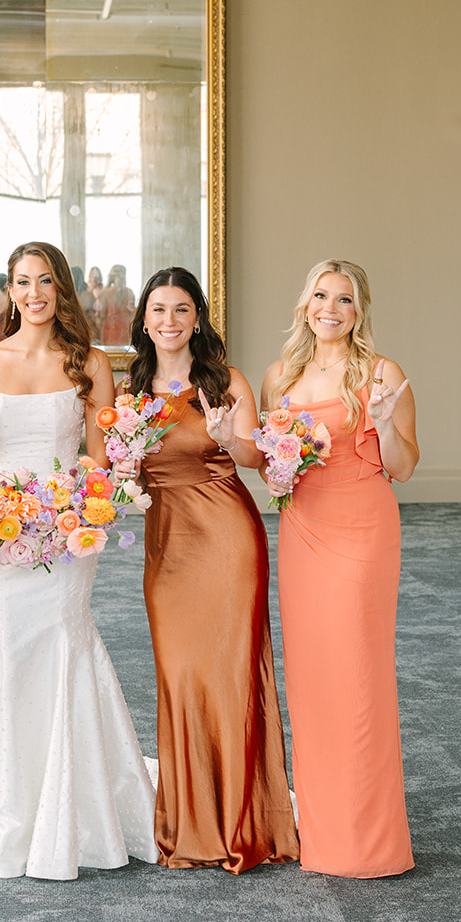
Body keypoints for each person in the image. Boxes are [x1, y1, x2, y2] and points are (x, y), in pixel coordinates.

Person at [0, 240, 157, 879]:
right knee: (0, 640)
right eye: (23, 282)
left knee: (61, 639)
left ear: (62, 290)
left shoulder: (89, 362)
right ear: (10, 290)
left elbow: (99, 460)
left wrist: (75, 509)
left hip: (63, 526)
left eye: (46, 281)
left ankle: (71, 809)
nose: (34, 293)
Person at [126, 267, 299, 873]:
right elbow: (124, 472)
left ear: (197, 318)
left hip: (227, 539)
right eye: (158, 310)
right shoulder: (130, 390)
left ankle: (240, 823)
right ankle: (191, 821)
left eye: (181, 309)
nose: (169, 321)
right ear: (144, 320)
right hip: (167, 545)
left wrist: (228, 436)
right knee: (179, 674)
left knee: (229, 675)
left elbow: (254, 458)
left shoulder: (227, 381)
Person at [260, 258, 418, 879]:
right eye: (321, 296)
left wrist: (384, 420)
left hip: (361, 531)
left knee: (358, 675)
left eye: (345, 299)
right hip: (302, 531)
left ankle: (367, 841)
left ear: (359, 311)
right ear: (305, 305)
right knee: (311, 676)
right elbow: (274, 467)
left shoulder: (382, 373)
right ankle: (323, 830)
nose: (331, 308)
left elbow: (403, 466)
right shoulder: (280, 376)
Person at [99, 263, 135, 346]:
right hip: (111, 330)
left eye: (121, 276)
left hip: (123, 331)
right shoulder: (106, 292)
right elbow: (101, 315)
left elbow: (132, 314)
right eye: (118, 276)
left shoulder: (129, 292)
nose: (120, 279)